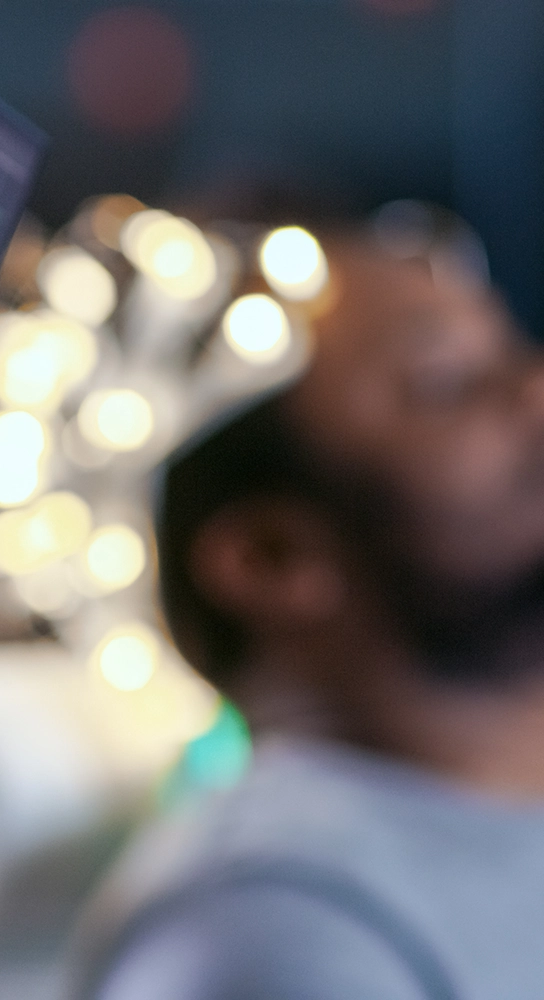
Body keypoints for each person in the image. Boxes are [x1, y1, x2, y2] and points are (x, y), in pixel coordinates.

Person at [78, 222, 544, 999]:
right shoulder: (276, 929)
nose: (535, 392)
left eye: (511, 351)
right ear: (273, 557)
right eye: (446, 381)